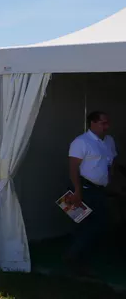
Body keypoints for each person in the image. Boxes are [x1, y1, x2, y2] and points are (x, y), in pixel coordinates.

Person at [64, 110, 116, 270]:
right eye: (103, 123)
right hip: (83, 189)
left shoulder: (109, 141)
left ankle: (81, 259)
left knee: (99, 224)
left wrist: (111, 183)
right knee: (82, 225)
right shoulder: (81, 142)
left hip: (99, 190)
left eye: (107, 123)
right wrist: (77, 191)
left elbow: (111, 163)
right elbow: (73, 168)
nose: (106, 126)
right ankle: (73, 259)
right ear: (92, 123)